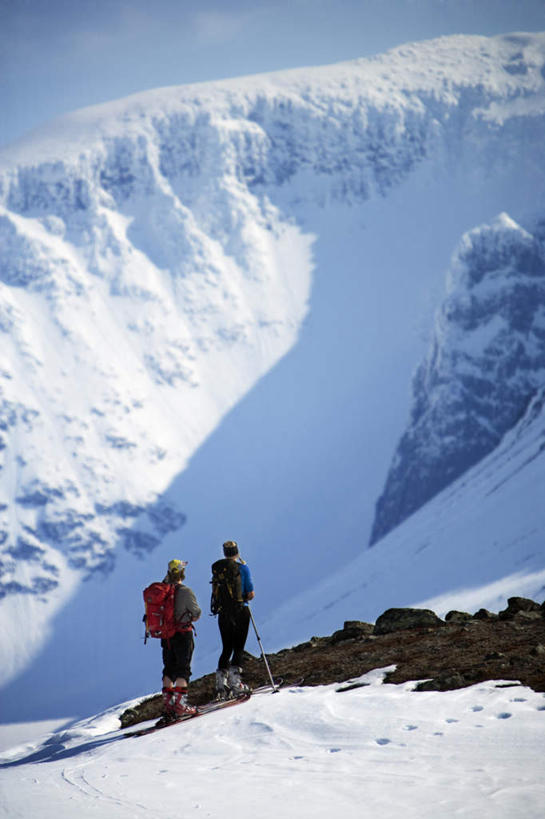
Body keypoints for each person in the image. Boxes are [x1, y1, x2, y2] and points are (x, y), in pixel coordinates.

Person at [213, 540, 255, 698]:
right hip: (240, 610)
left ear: (224, 553)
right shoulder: (243, 568)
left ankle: (220, 685)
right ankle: (236, 684)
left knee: (226, 648)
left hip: (223, 613)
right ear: (237, 552)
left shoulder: (218, 571)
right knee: (238, 647)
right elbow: (250, 593)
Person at [161, 558, 201, 719]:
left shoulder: (162, 590)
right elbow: (196, 613)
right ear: (182, 573)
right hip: (183, 634)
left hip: (166, 636)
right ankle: (180, 705)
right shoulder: (185, 591)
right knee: (183, 669)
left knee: (168, 668)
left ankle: (168, 705)